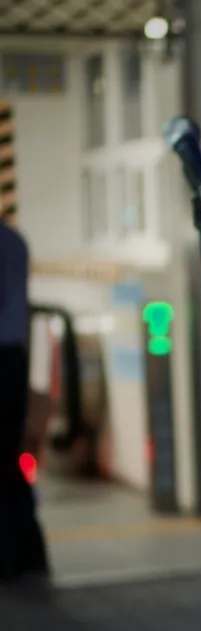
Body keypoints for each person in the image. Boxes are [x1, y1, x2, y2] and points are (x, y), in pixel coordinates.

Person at [0, 219, 48, 581]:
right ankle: (27, 553)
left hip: (3, 357)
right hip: (12, 358)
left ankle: (18, 553)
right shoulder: (16, 241)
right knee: (9, 458)